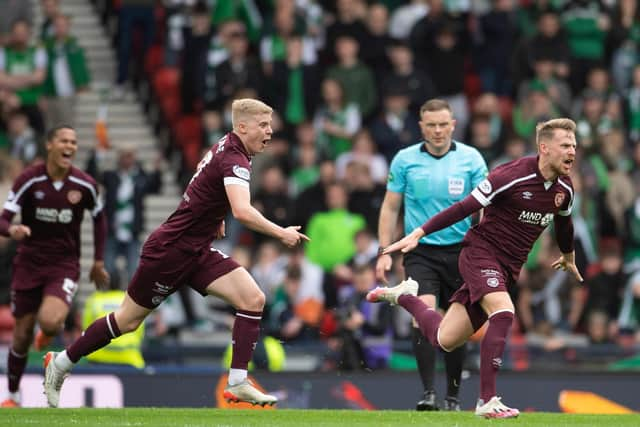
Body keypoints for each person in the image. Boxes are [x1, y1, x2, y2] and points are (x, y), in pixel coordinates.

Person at [42, 99, 309, 408]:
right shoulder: (235, 158)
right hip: (169, 252)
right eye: (264, 125)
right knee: (127, 321)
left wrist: (215, 215)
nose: (270, 131)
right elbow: (244, 211)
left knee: (253, 299)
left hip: (195, 250)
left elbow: (201, 175)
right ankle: (61, 363)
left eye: (270, 125)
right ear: (242, 127)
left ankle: (237, 381)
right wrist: (281, 232)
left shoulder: (225, 144)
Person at [368, 118, 583, 419]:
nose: (572, 150)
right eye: (565, 145)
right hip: (480, 254)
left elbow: (564, 223)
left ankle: (403, 296)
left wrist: (569, 255)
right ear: (544, 147)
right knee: (505, 312)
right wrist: (420, 232)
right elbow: (464, 207)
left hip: (508, 268)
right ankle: (487, 400)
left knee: (444, 339)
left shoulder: (564, 188)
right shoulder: (510, 175)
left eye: (574, 145)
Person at [376, 98, 488, 411]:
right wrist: (384, 251)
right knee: (422, 317)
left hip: (461, 252)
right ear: (421, 127)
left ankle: (453, 398)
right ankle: (428, 395)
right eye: (432, 125)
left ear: (453, 124)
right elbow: (390, 206)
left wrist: (484, 249)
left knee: (456, 326)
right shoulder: (404, 159)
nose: (438, 131)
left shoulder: (472, 159)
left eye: (443, 124)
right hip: (420, 251)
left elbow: (486, 209)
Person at [0, 125, 109, 408]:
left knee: (50, 320)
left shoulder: (84, 185)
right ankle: (12, 396)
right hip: (28, 264)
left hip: (63, 264)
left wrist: (97, 260)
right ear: (50, 144)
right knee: (21, 336)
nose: (70, 146)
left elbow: (99, 219)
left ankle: (48, 334)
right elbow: (3, 219)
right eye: (64, 140)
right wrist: (12, 231)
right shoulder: (28, 180)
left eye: (74, 142)